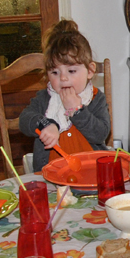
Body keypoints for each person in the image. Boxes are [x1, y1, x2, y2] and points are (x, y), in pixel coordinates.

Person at [19, 19, 111, 172]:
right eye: (55, 72)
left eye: (71, 71)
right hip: (50, 173)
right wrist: (45, 124)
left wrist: (77, 110)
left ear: (90, 71)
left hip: (91, 171)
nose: (63, 78)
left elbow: (100, 134)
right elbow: (24, 120)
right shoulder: (45, 98)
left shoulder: (96, 98)